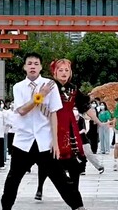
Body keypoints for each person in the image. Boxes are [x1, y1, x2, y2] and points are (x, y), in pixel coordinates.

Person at [0, 53, 97, 210]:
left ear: (40, 67)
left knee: (61, 178)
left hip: (44, 141)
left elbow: (54, 114)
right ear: (24, 67)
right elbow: (22, 110)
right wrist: (40, 96)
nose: (32, 66)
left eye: (36, 64)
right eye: (29, 63)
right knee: (14, 178)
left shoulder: (49, 85)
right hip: (23, 140)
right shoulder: (18, 87)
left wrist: (56, 140)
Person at [35, 58, 105, 201]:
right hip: (51, 125)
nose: (64, 73)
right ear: (54, 72)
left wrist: (99, 122)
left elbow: (84, 106)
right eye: (60, 70)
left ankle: (75, 191)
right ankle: (40, 188)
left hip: (68, 126)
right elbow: (36, 101)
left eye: (67, 70)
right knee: (47, 160)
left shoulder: (73, 88)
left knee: (74, 161)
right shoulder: (47, 86)